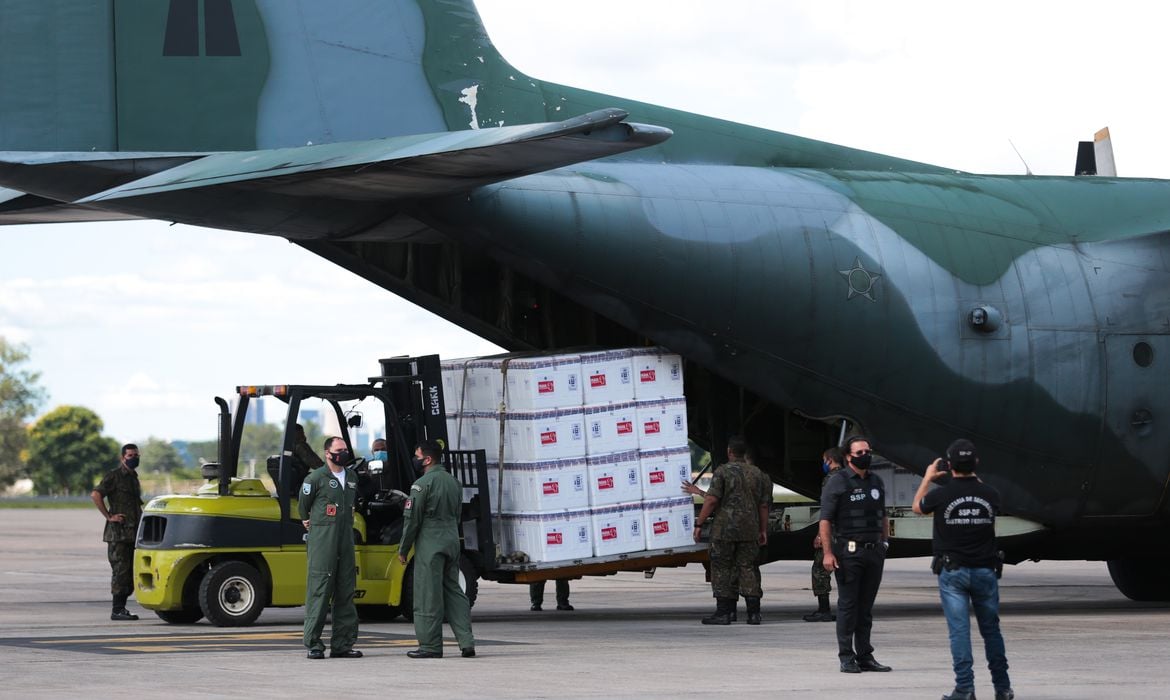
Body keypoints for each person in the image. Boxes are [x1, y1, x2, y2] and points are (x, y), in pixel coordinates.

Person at [913, 439, 1014, 700]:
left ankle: (965, 688)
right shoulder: (991, 494)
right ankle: (1002, 688)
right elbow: (984, 493)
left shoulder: (940, 494)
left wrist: (928, 477)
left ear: (950, 465)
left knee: (959, 633)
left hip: (953, 573)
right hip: (985, 571)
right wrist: (972, 476)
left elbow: (917, 507)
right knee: (991, 631)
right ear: (976, 464)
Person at [820, 435, 892, 673]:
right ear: (848, 456)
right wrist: (828, 553)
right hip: (849, 553)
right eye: (860, 453)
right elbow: (826, 520)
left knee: (866, 608)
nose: (865, 456)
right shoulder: (838, 481)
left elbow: (883, 515)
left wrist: (884, 544)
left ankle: (865, 656)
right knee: (848, 606)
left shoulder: (876, 481)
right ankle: (846, 656)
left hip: (874, 553)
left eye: (867, 451)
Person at [398, 440, 476, 658]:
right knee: (454, 591)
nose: (415, 459)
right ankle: (466, 641)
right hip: (451, 541)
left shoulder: (421, 485)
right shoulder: (453, 483)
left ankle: (430, 646)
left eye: (417, 455)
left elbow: (412, 521)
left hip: (430, 544)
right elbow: (458, 514)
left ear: (428, 459)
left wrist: (403, 549)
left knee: (427, 595)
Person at [691, 436, 770, 625]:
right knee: (748, 567)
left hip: (724, 530)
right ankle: (754, 613)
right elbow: (764, 505)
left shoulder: (723, 472)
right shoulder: (759, 474)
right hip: (750, 529)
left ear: (729, 452)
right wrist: (763, 529)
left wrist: (699, 524)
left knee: (722, 568)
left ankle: (724, 612)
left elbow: (711, 500)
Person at [300, 436, 362, 659]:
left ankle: (343, 644)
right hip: (323, 541)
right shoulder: (315, 478)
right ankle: (314, 644)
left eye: (345, 449)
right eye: (339, 450)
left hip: (345, 540)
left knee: (346, 591)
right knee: (320, 589)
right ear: (328, 453)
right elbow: (303, 506)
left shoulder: (352, 477)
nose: (343, 453)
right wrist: (308, 521)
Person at [90, 443, 144, 621]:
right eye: (130, 455)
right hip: (119, 535)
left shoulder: (133, 477)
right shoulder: (114, 476)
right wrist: (108, 516)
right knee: (121, 572)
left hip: (133, 534)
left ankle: (122, 607)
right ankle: (117, 609)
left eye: (136, 455)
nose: (134, 458)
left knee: (130, 572)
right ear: (123, 458)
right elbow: (96, 494)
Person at [805, 446, 843, 622]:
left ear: (829, 460)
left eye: (824, 461)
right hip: (846, 531)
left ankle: (824, 609)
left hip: (833, 530)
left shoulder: (830, 479)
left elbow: (827, 509)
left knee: (820, 569)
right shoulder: (849, 476)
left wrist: (821, 534)